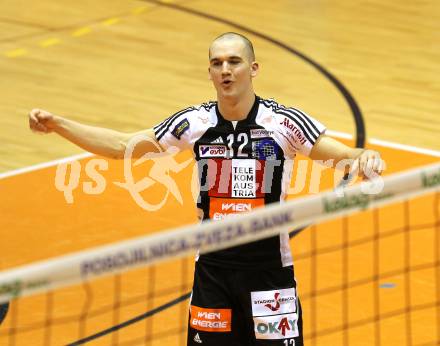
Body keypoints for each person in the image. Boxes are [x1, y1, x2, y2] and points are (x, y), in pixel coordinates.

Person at [29, 32, 383, 345]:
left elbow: (344, 155)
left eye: (234, 61)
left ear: (254, 69)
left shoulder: (283, 123)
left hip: (270, 274)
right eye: (217, 63)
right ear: (210, 72)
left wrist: (365, 158)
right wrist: (60, 125)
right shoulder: (194, 123)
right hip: (214, 274)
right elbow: (126, 147)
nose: (225, 70)